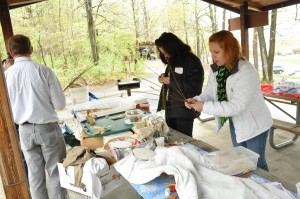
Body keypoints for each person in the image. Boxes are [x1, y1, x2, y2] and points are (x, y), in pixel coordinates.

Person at [185, 30, 272, 171]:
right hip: (236, 121)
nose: (212, 56)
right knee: (241, 160)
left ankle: (269, 191)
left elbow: (236, 106)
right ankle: (247, 188)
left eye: (217, 52)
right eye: (211, 51)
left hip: (255, 124)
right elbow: (209, 94)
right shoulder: (217, 71)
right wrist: (196, 100)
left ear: (230, 50)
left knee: (257, 164)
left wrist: (204, 106)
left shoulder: (246, 71)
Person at [4, 34, 67, 199]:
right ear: (31, 49)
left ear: (10, 52)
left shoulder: (6, 76)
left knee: (35, 177)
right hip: (48, 129)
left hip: (24, 131)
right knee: (56, 174)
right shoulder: (44, 71)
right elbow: (60, 104)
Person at [155, 32, 204, 137]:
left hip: (184, 111)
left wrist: (171, 81)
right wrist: (163, 77)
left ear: (172, 47)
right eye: (162, 53)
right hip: (170, 109)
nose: (165, 55)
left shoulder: (192, 61)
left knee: (183, 141)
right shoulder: (173, 60)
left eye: (165, 52)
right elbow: (173, 77)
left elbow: (195, 87)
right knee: (172, 140)